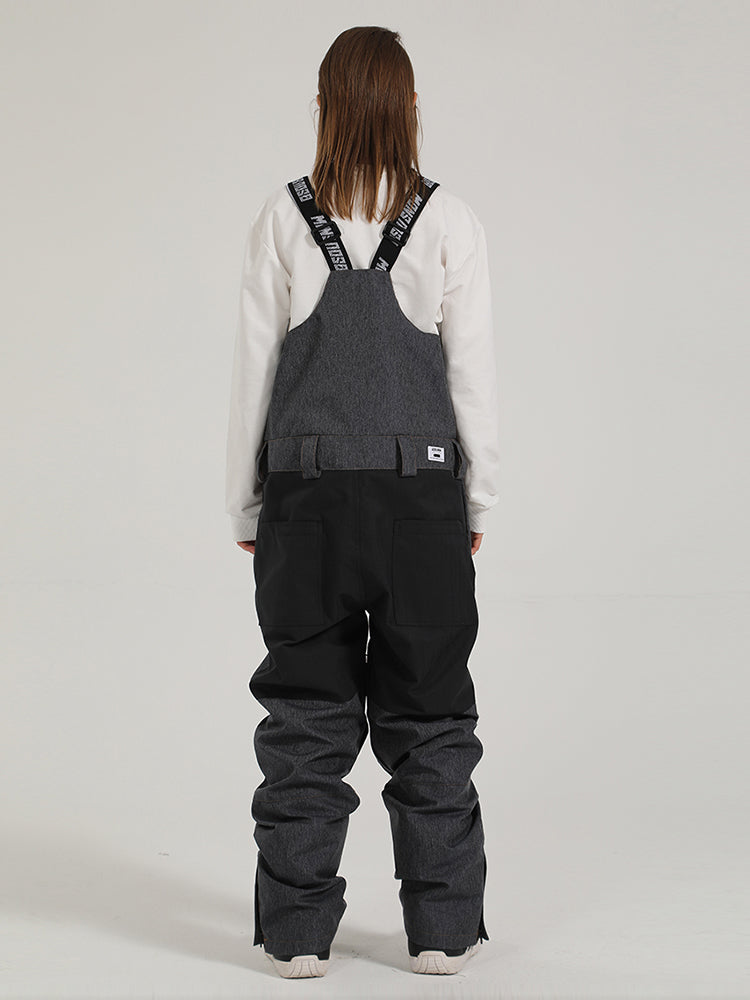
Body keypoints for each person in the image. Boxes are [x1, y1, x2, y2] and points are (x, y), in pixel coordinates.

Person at [225, 25, 501, 980]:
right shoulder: (450, 221)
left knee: (306, 712)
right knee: (430, 713)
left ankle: (298, 932)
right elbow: (472, 380)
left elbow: (254, 374)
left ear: (324, 108)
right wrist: (478, 501)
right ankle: (442, 930)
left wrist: (246, 507)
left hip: (306, 503)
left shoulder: (282, 217)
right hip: (421, 501)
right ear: (410, 107)